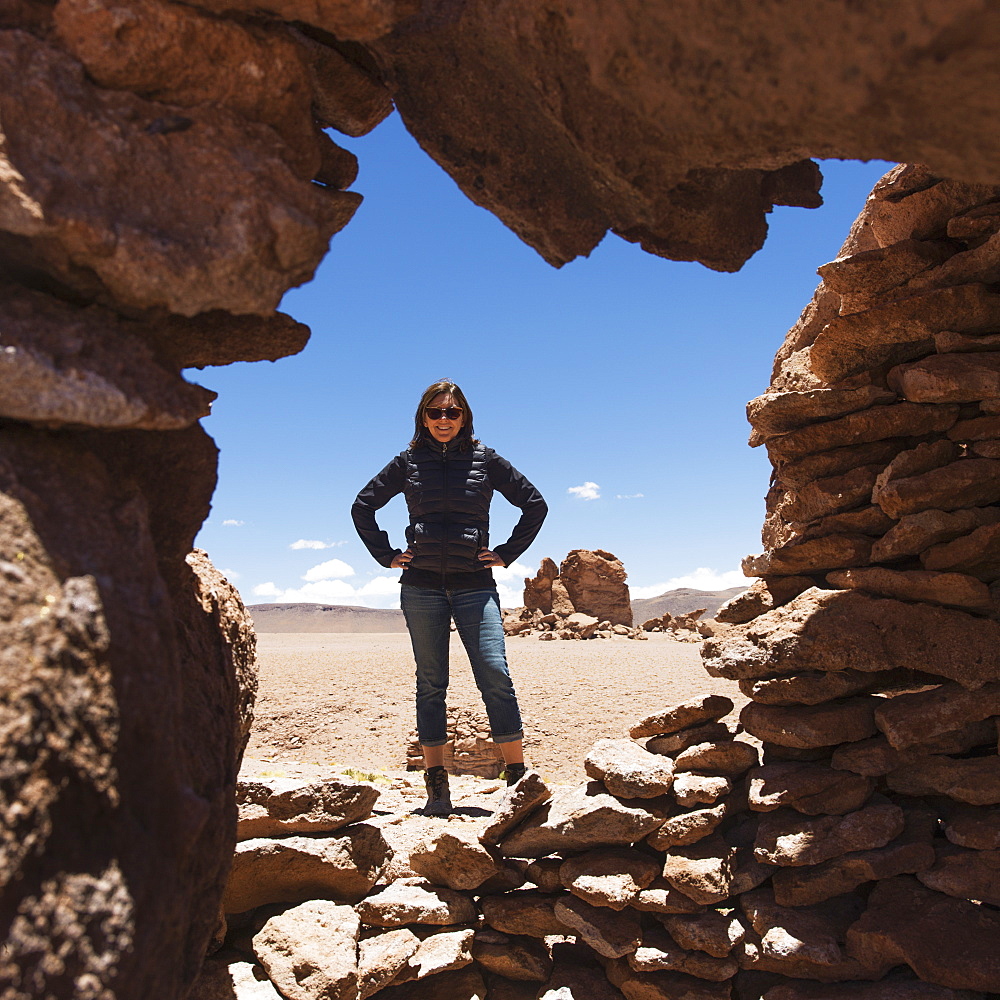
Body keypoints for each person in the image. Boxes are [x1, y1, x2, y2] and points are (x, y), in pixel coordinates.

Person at [352, 380, 547, 814]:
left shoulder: (486, 460)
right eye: (436, 412)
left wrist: (506, 554)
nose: (444, 420)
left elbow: (534, 503)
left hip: (475, 585)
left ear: (465, 416)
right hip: (421, 586)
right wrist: (386, 555)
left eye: (452, 412)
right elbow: (362, 506)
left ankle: (517, 779)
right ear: (423, 416)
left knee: (494, 673)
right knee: (431, 683)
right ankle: (437, 783)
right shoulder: (407, 462)